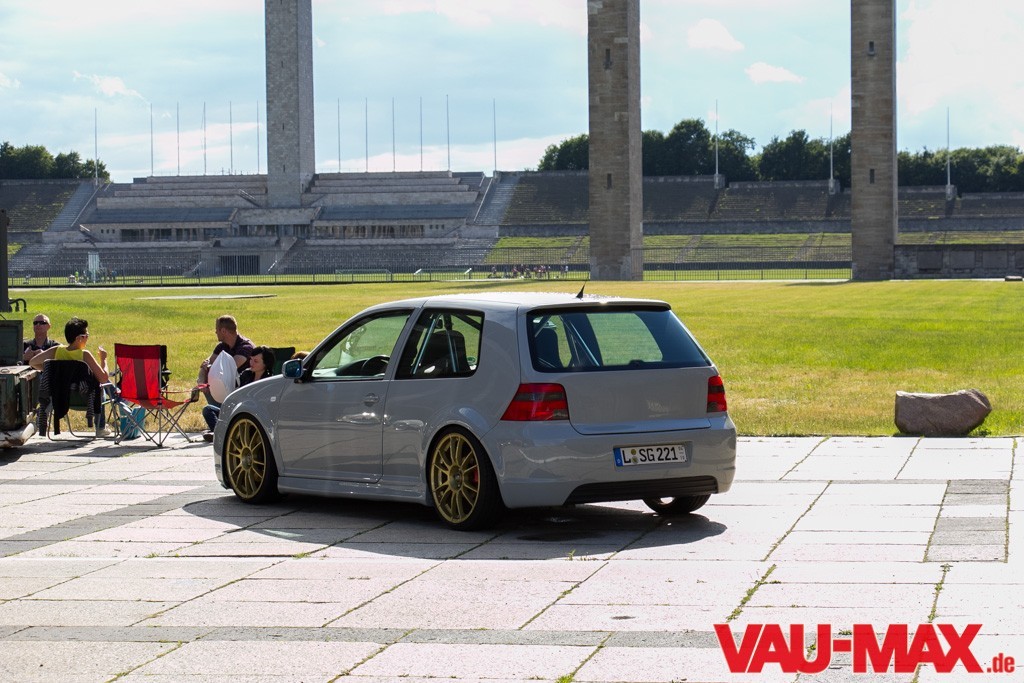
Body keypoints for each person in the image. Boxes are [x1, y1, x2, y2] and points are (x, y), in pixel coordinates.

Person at [29, 317, 112, 437]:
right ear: (79, 338)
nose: (87, 338)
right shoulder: (84, 355)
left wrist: (52, 371)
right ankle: (100, 427)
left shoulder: (57, 351)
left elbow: (33, 362)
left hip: (61, 397)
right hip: (85, 398)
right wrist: (104, 360)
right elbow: (103, 378)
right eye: (86, 335)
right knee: (100, 387)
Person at [202, 346, 275, 441]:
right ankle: (221, 433)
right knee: (208, 410)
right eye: (251, 359)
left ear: (266, 363)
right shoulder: (246, 374)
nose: (251, 363)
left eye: (256, 361)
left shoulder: (269, 381)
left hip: (254, 415)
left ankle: (220, 434)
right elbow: (234, 389)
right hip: (237, 410)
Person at [197, 315, 254, 407]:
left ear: (223, 331)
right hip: (227, 387)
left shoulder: (245, 347)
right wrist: (201, 382)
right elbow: (206, 364)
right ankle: (218, 411)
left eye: (217, 329)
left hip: (242, 390)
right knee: (209, 383)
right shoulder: (222, 346)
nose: (215, 332)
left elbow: (228, 369)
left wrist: (208, 367)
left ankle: (221, 412)